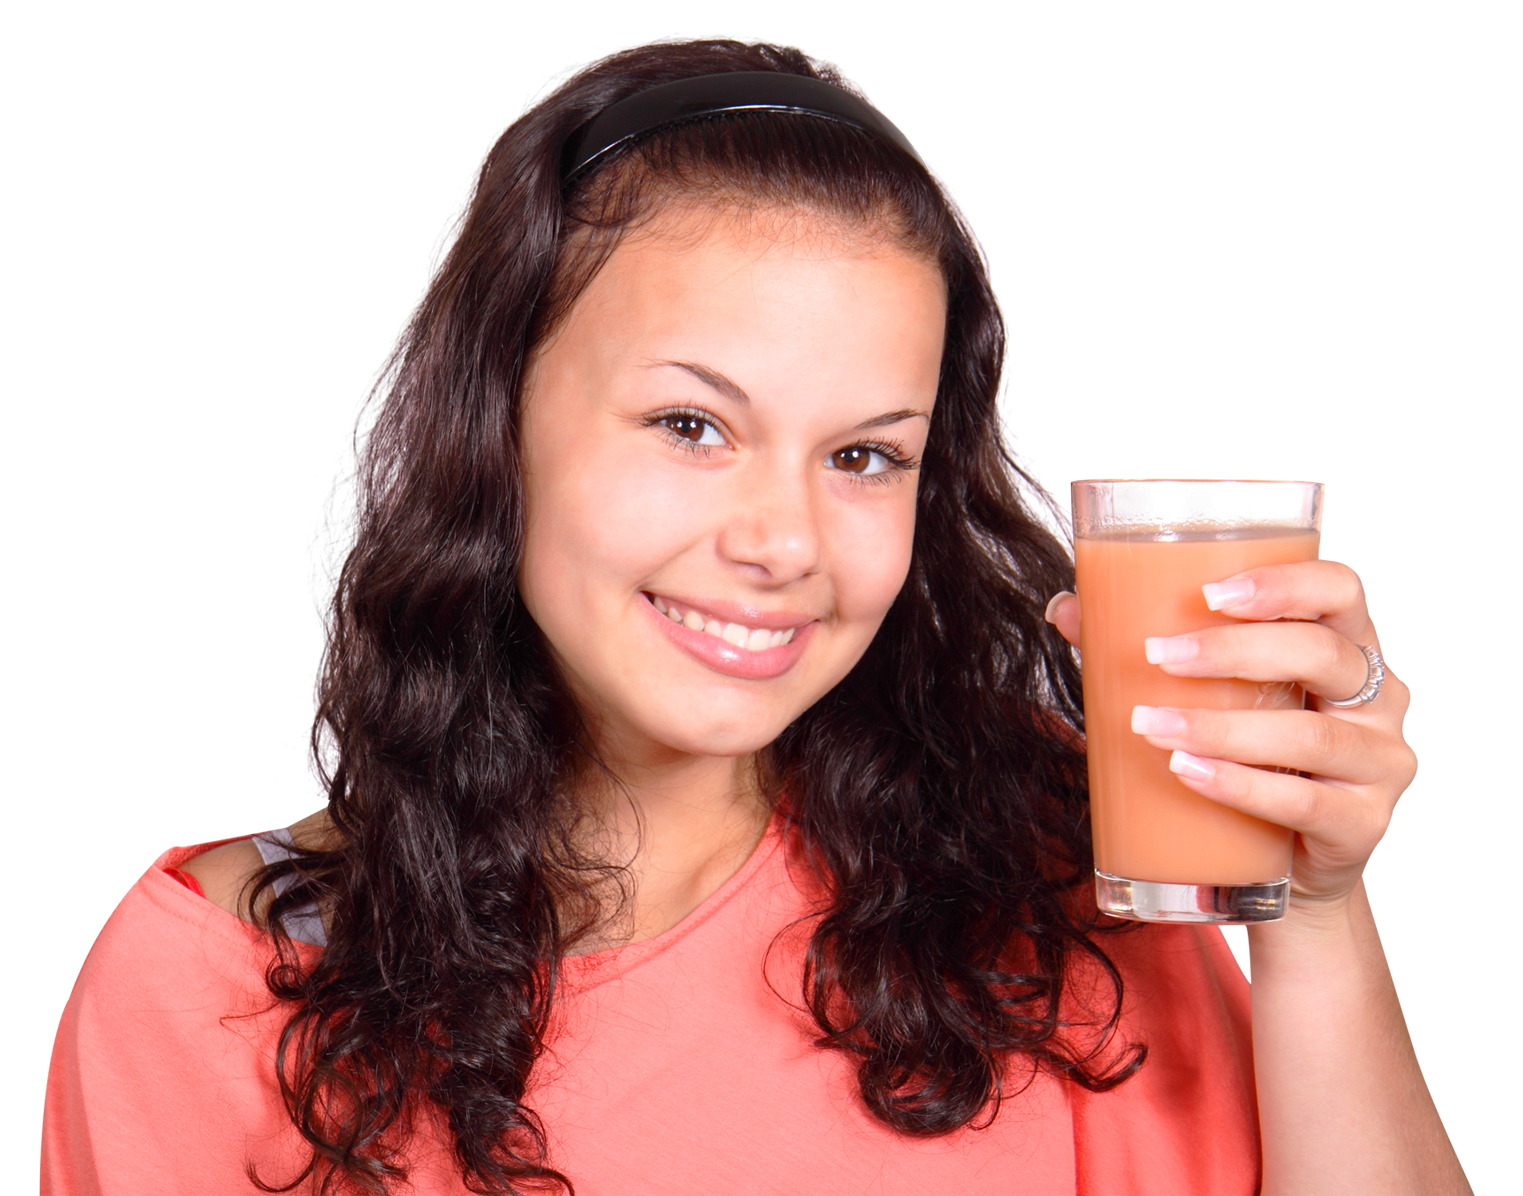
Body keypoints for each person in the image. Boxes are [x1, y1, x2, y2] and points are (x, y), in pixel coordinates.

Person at [45, 37, 1462, 1196]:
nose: (782, 543)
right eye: (689, 424)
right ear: (503, 429)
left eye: (863, 456)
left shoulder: (1062, 934)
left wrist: (1316, 931)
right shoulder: (221, 987)